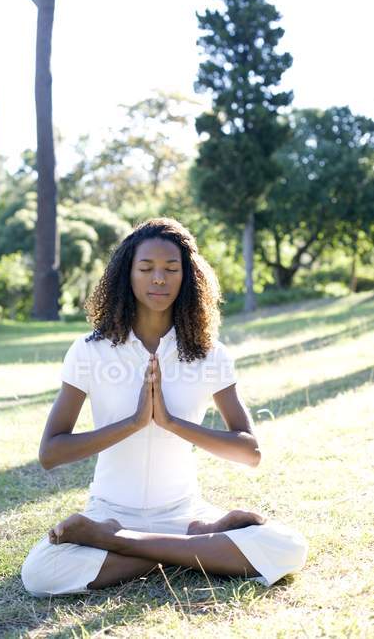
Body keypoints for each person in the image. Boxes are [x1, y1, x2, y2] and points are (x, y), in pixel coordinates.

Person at [21, 217, 308, 597]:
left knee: (289, 547)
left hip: (184, 515)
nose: (159, 278)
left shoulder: (209, 354)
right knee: (40, 574)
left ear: (187, 277)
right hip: (110, 511)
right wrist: (134, 422)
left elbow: (249, 452)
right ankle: (195, 549)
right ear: (128, 274)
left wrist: (171, 422)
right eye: (147, 268)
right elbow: (50, 452)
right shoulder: (90, 351)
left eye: (171, 269)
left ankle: (122, 543)